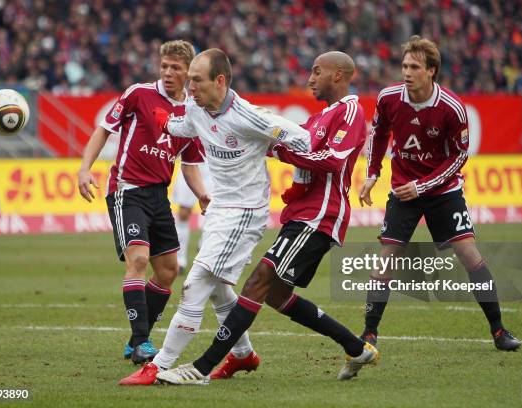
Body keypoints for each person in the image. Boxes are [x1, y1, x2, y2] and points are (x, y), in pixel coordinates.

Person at [156, 51, 379, 386]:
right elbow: (284, 146)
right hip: (302, 213)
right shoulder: (321, 117)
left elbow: (331, 160)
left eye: (317, 72)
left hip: (321, 213)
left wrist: (276, 148)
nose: (309, 79)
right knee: (276, 295)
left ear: (339, 75)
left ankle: (201, 368)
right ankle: (355, 347)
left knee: (258, 281)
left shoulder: (350, 110)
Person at [118, 48, 313, 386]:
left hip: (245, 213)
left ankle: (159, 365)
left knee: (196, 283)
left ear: (219, 81)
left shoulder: (250, 116)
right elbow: (183, 126)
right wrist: (166, 121)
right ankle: (242, 354)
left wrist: (299, 181)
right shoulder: (195, 107)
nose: (188, 86)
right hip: (221, 209)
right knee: (218, 288)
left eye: (195, 80)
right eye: (188, 79)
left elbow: (304, 140)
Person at [358, 35, 521, 351]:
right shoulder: (389, 98)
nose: (407, 72)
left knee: (470, 257)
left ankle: (499, 332)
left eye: (415, 67)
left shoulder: (451, 107)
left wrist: (422, 185)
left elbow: (459, 157)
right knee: (385, 260)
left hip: (443, 191)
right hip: (403, 192)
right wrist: (372, 174)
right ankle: (368, 333)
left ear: (431, 71)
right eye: (404, 65)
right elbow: (377, 134)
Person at [77, 40, 210, 365]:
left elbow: (189, 164)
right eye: (164, 66)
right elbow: (103, 130)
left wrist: (203, 194)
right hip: (127, 189)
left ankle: (139, 337)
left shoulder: (192, 112)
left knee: (166, 271)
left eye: (175, 68)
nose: (167, 72)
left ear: (188, 73)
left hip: (158, 196)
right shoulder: (138, 94)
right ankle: (140, 343)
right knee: (137, 259)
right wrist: (84, 169)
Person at [171, 160, 214, 275]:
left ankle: (204, 248)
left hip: (213, 168)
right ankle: (180, 261)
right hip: (190, 164)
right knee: (183, 213)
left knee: (212, 210)